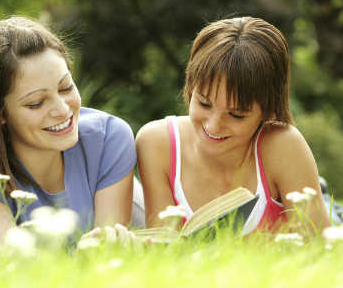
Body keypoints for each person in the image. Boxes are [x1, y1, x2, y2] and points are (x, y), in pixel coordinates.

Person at [0, 16, 137, 243]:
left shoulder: (110, 138)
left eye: (66, 87)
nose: (61, 109)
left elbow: (108, 253)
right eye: (36, 103)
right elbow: (16, 265)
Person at [135, 16, 332, 235]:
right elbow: (163, 248)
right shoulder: (156, 144)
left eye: (236, 115)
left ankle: (319, 190)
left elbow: (321, 247)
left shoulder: (283, 145)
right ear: (190, 86)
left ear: (268, 111)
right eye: (204, 103)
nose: (214, 125)